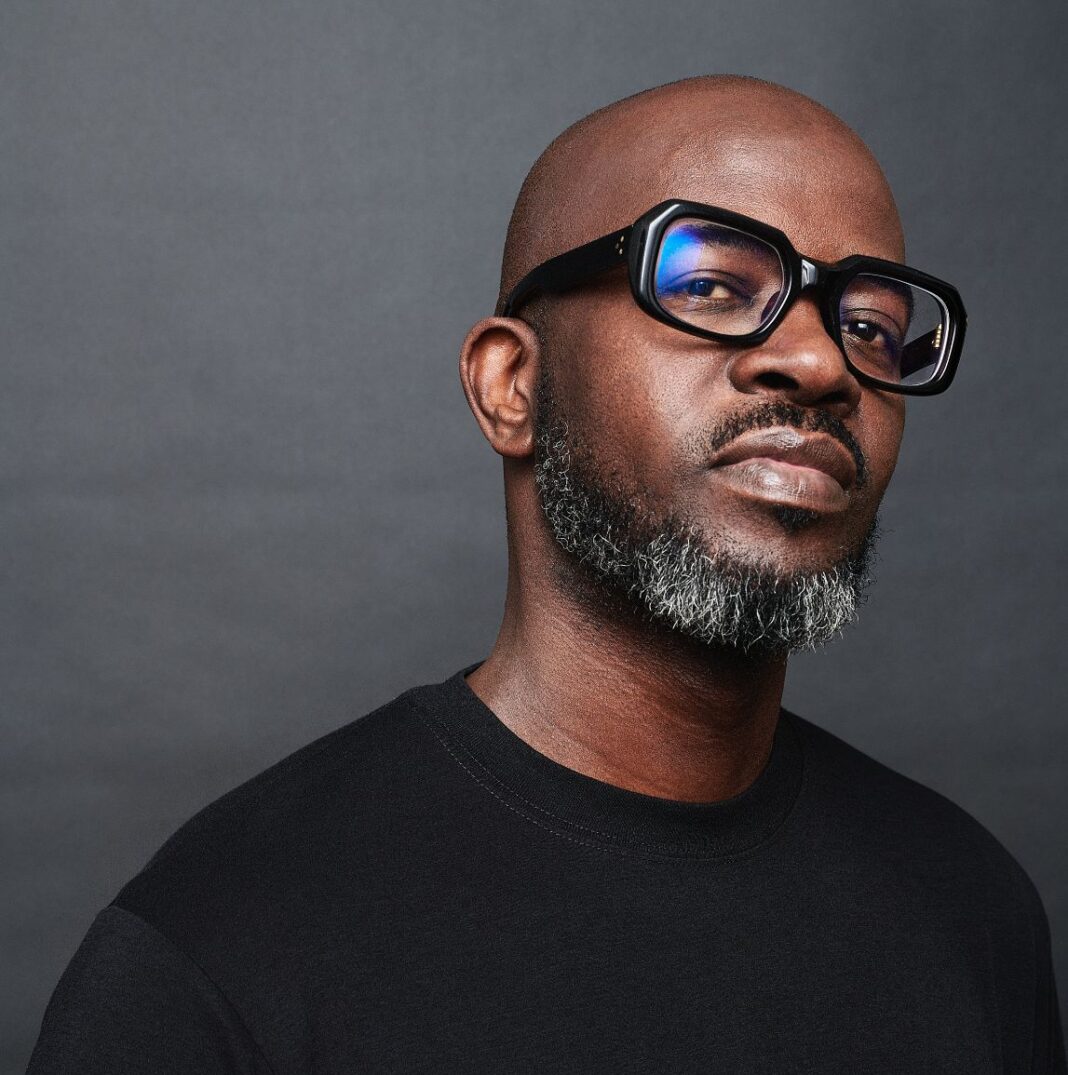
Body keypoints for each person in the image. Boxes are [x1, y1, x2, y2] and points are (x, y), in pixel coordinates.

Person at [27, 75, 1065, 1072]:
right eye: (710, 284)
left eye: (873, 328)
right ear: (512, 385)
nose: (823, 363)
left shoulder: (971, 911)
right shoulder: (215, 954)